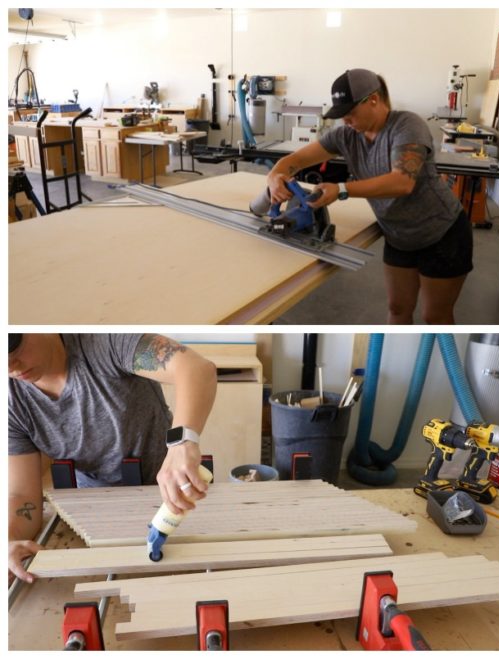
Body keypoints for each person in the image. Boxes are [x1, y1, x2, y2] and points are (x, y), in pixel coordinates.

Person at [266, 68, 471, 325]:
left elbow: (402, 181)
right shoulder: (346, 136)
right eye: (341, 115)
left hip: (442, 234)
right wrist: (275, 177)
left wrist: (342, 189)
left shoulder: (407, 125)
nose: (345, 121)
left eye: (350, 113)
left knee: (435, 317)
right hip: (399, 236)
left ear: (373, 99)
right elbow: (294, 161)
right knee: (397, 309)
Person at [8, 334, 217, 583]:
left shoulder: (105, 342)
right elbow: (21, 496)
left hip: (168, 495)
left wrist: (181, 443)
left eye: (14, 349)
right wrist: (9, 540)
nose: (11, 367)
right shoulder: (11, 401)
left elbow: (195, 369)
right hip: (93, 510)